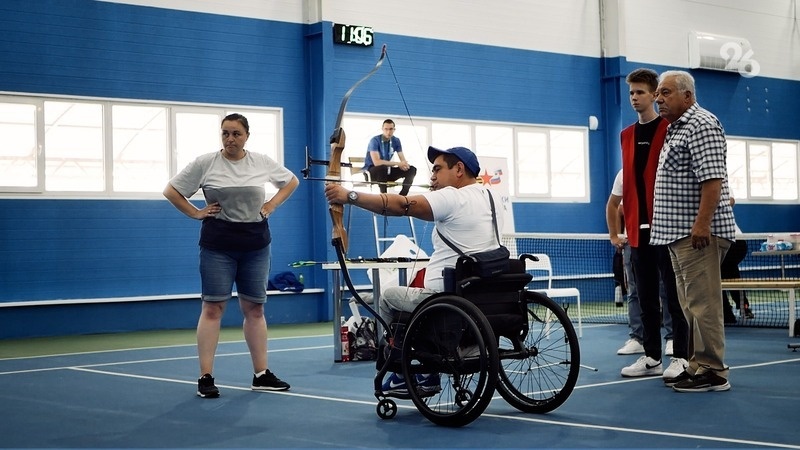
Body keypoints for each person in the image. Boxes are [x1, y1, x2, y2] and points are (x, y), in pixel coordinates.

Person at [325, 145, 500, 395]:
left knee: (387, 296)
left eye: (438, 169)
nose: (432, 177)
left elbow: (400, 205)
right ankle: (428, 367)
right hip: (483, 297)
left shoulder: (453, 196)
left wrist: (349, 196)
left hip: (446, 299)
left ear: (459, 169)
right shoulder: (491, 198)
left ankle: (400, 370)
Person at [163, 113, 299, 398]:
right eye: (225, 133)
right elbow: (171, 191)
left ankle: (261, 374)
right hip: (218, 245)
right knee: (213, 309)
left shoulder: (260, 161)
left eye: (236, 133)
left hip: (256, 244)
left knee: (255, 309)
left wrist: (271, 204)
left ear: (246, 136)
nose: (230, 139)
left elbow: (291, 181)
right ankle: (206, 376)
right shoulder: (205, 163)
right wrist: (196, 213)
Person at [651, 70, 737, 393]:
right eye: (658, 93)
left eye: (666, 93)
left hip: (698, 235)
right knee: (690, 305)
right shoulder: (675, 128)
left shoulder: (701, 125)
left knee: (704, 304)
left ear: (687, 96)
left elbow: (712, 180)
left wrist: (702, 224)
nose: (659, 98)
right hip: (677, 236)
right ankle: (699, 364)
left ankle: (714, 370)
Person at [609, 68, 689, 382]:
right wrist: (622, 229)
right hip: (637, 231)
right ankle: (653, 356)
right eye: (631, 93)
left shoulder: (670, 128)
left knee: (673, 295)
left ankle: (681, 356)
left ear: (654, 95)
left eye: (640, 92)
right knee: (644, 296)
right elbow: (629, 183)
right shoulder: (625, 135)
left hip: (667, 227)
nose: (634, 98)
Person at [606, 170, 674, 357]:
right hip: (633, 241)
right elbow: (613, 205)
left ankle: (672, 338)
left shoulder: (662, 168)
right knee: (635, 291)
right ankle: (637, 338)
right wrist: (614, 235)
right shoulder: (622, 173)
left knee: (665, 289)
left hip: (662, 238)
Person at [363, 119, 417, 195]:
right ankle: (384, 197)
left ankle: (402, 196)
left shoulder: (396, 140)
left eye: (391, 129)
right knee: (382, 167)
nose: (388, 132)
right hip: (372, 173)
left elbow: (402, 159)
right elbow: (377, 162)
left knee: (412, 169)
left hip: (386, 172)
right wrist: (398, 163)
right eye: (386, 129)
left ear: (394, 129)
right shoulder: (374, 140)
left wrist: (405, 165)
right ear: (382, 129)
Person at [721, 197, 753, 324]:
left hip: (736, 242)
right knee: (730, 273)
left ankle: (726, 313)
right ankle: (743, 307)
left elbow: (731, 200)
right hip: (725, 243)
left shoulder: (722, 185)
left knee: (716, 276)